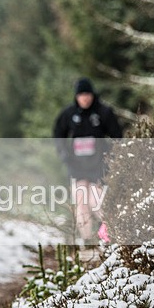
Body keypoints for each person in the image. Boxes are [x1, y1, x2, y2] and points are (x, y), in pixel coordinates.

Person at [53, 77, 122, 241]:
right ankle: (87, 240)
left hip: (99, 166)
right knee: (81, 203)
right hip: (76, 166)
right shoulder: (69, 114)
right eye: (81, 95)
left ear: (92, 95)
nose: (85, 98)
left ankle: (109, 236)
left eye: (88, 94)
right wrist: (64, 153)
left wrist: (112, 156)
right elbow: (58, 133)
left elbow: (117, 136)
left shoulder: (104, 112)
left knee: (97, 202)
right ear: (76, 97)